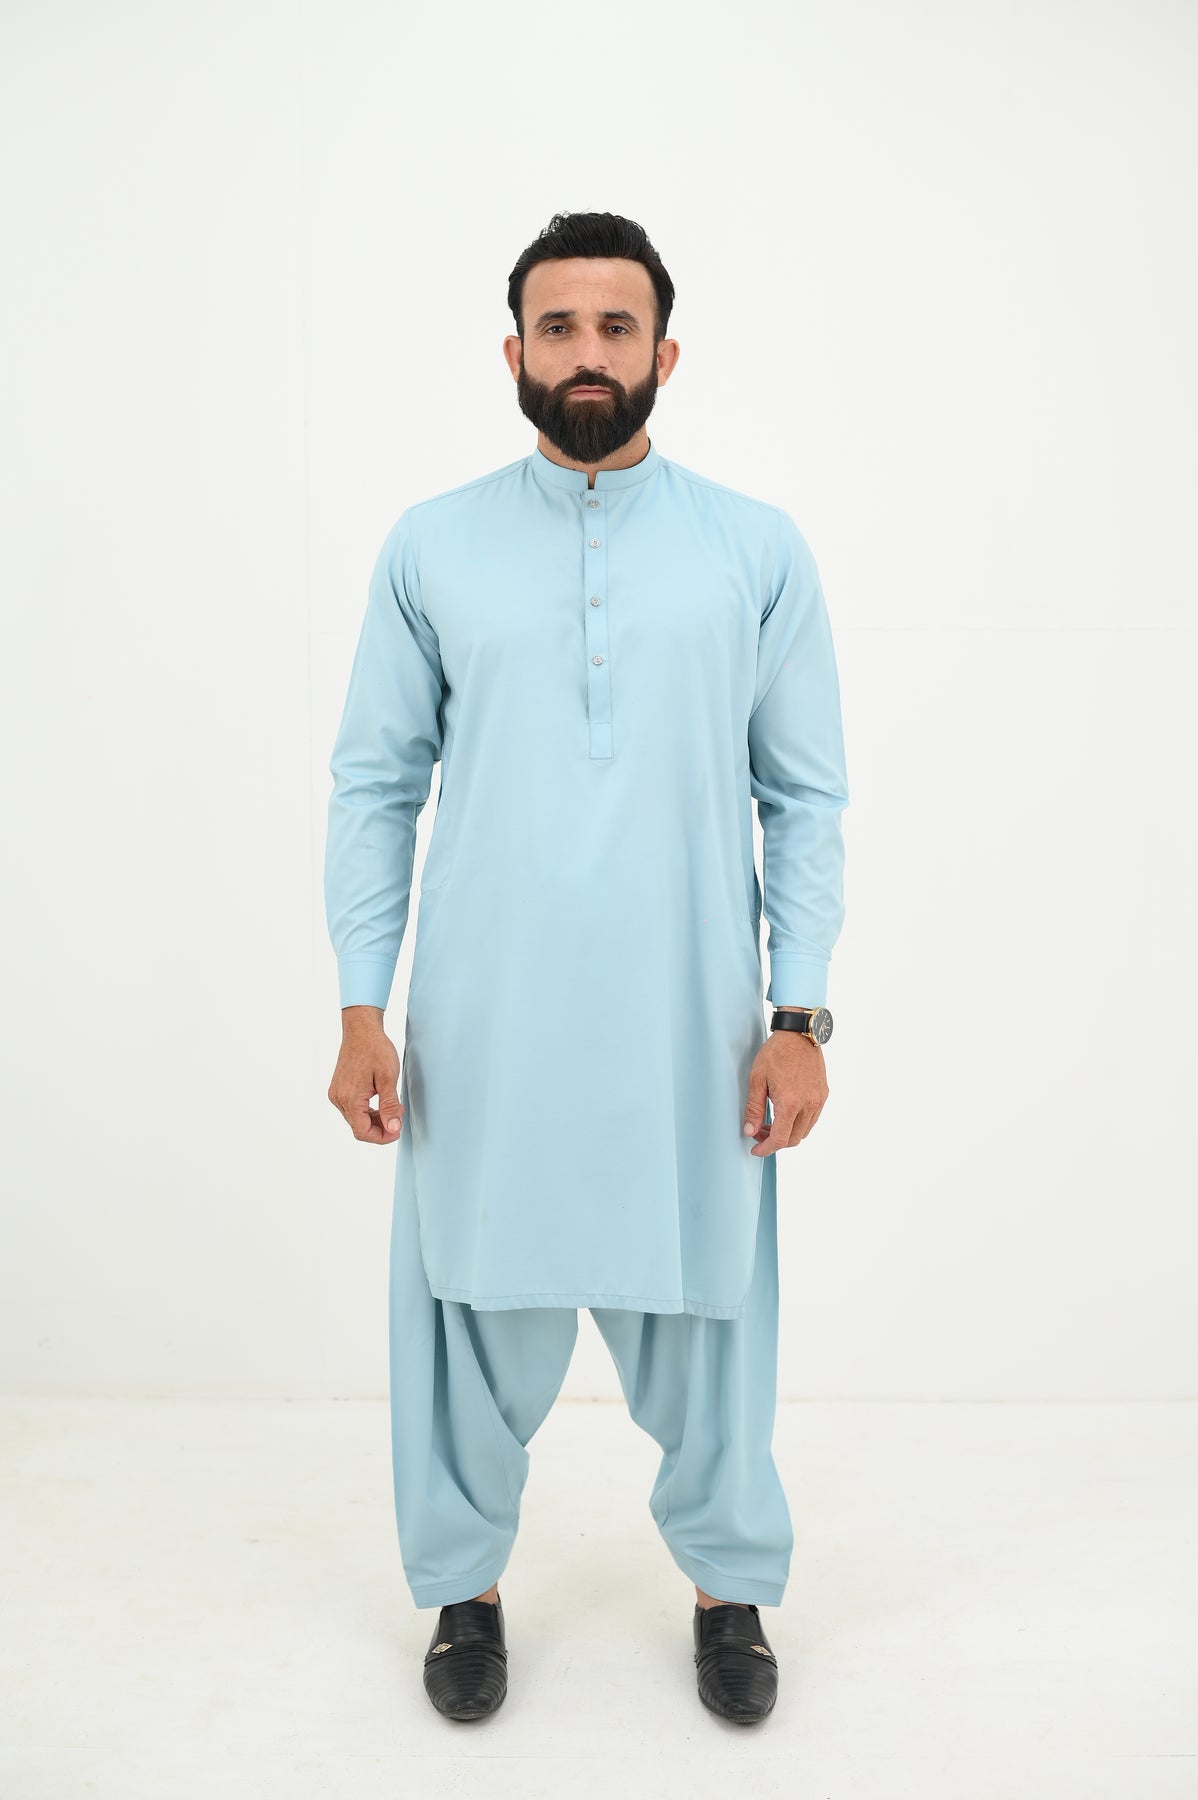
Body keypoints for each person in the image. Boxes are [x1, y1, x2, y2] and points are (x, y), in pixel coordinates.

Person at [323, 210, 849, 1725]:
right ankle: (464, 1591)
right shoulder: (432, 545)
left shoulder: (754, 549)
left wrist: (799, 1015)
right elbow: (375, 783)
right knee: (462, 1311)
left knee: (713, 1312)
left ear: (666, 354)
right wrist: (361, 1004)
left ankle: (729, 1587)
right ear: (514, 353)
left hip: (693, 1022)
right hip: (487, 1021)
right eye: (558, 327)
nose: (587, 354)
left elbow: (804, 796)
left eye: (617, 327)